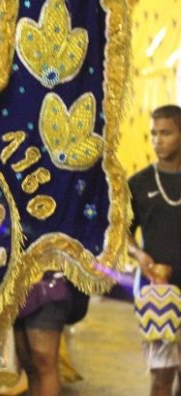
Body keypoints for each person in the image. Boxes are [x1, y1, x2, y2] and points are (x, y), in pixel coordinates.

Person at [128, 104, 181, 396]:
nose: (158, 140)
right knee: (161, 375)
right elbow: (121, 232)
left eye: (166, 133)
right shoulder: (139, 184)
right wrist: (137, 254)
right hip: (158, 295)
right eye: (153, 134)